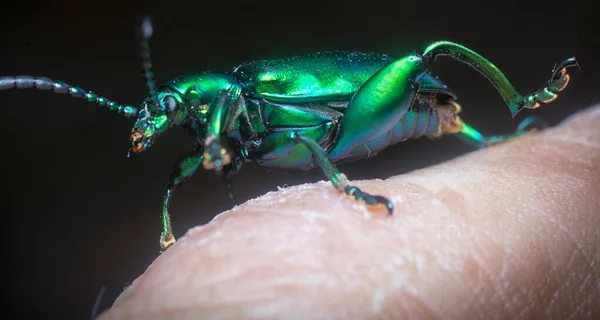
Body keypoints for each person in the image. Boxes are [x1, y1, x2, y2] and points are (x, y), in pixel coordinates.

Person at [97, 104, 600, 319]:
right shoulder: (236, 132)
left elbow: (285, 136)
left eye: (166, 109)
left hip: (370, 107)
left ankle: (503, 119)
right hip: (339, 132)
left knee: (426, 58)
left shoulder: (241, 95)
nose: (153, 124)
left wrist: (342, 187)